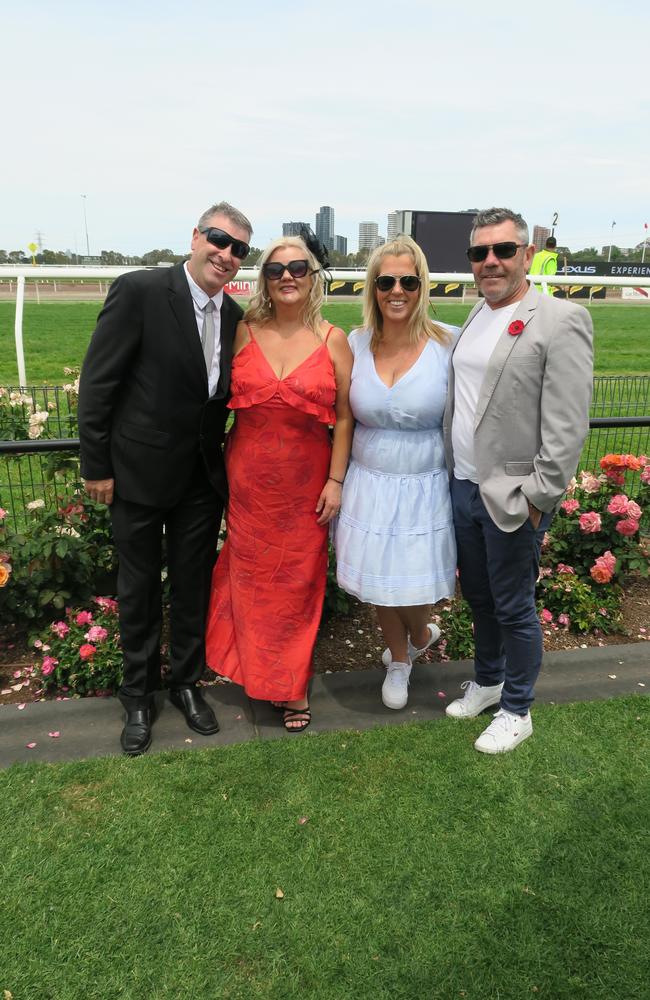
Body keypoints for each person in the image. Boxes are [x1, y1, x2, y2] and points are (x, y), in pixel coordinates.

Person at [78, 201, 253, 756]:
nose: (226, 255)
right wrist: (97, 466)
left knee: (192, 587)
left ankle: (185, 683)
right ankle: (138, 694)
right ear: (196, 237)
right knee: (138, 590)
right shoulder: (140, 291)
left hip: (200, 481)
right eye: (219, 240)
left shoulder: (233, 317)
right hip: (135, 475)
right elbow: (98, 384)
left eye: (239, 249)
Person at [443, 207, 593, 753]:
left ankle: (518, 708)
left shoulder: (559, 319)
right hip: (463, 486)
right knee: (479, 599)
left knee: (514, 607)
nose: (490, 262)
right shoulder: (475, 317)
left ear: (527, 255)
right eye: (479, 253)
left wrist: (538, 499)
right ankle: (488, 681)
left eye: (503, 250)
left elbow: (567, 424)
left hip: (512, 496)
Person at [205, 234, 353, 732]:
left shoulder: (334, 339)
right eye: (275, 269)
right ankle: (257, 676)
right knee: (250, 582)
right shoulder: (243, 330)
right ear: (264, 281)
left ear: (313, 277)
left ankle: (291, 686)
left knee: (298, 584)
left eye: (297, 268)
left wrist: (336, 480)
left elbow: (347, 418)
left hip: (307, 487)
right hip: (248, 484)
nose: (287, 276)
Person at [334, 236, 457, 711]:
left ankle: (422, 631)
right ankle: (400, 659)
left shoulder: (449, 342)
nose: (397, 290)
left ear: (423, 285)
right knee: (382, 575)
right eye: (386, 281)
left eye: (408, 280)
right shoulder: (356, 342)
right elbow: (340, 412)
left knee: (417, 575)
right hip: (370, 477)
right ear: (373, 287)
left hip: (426, 478)